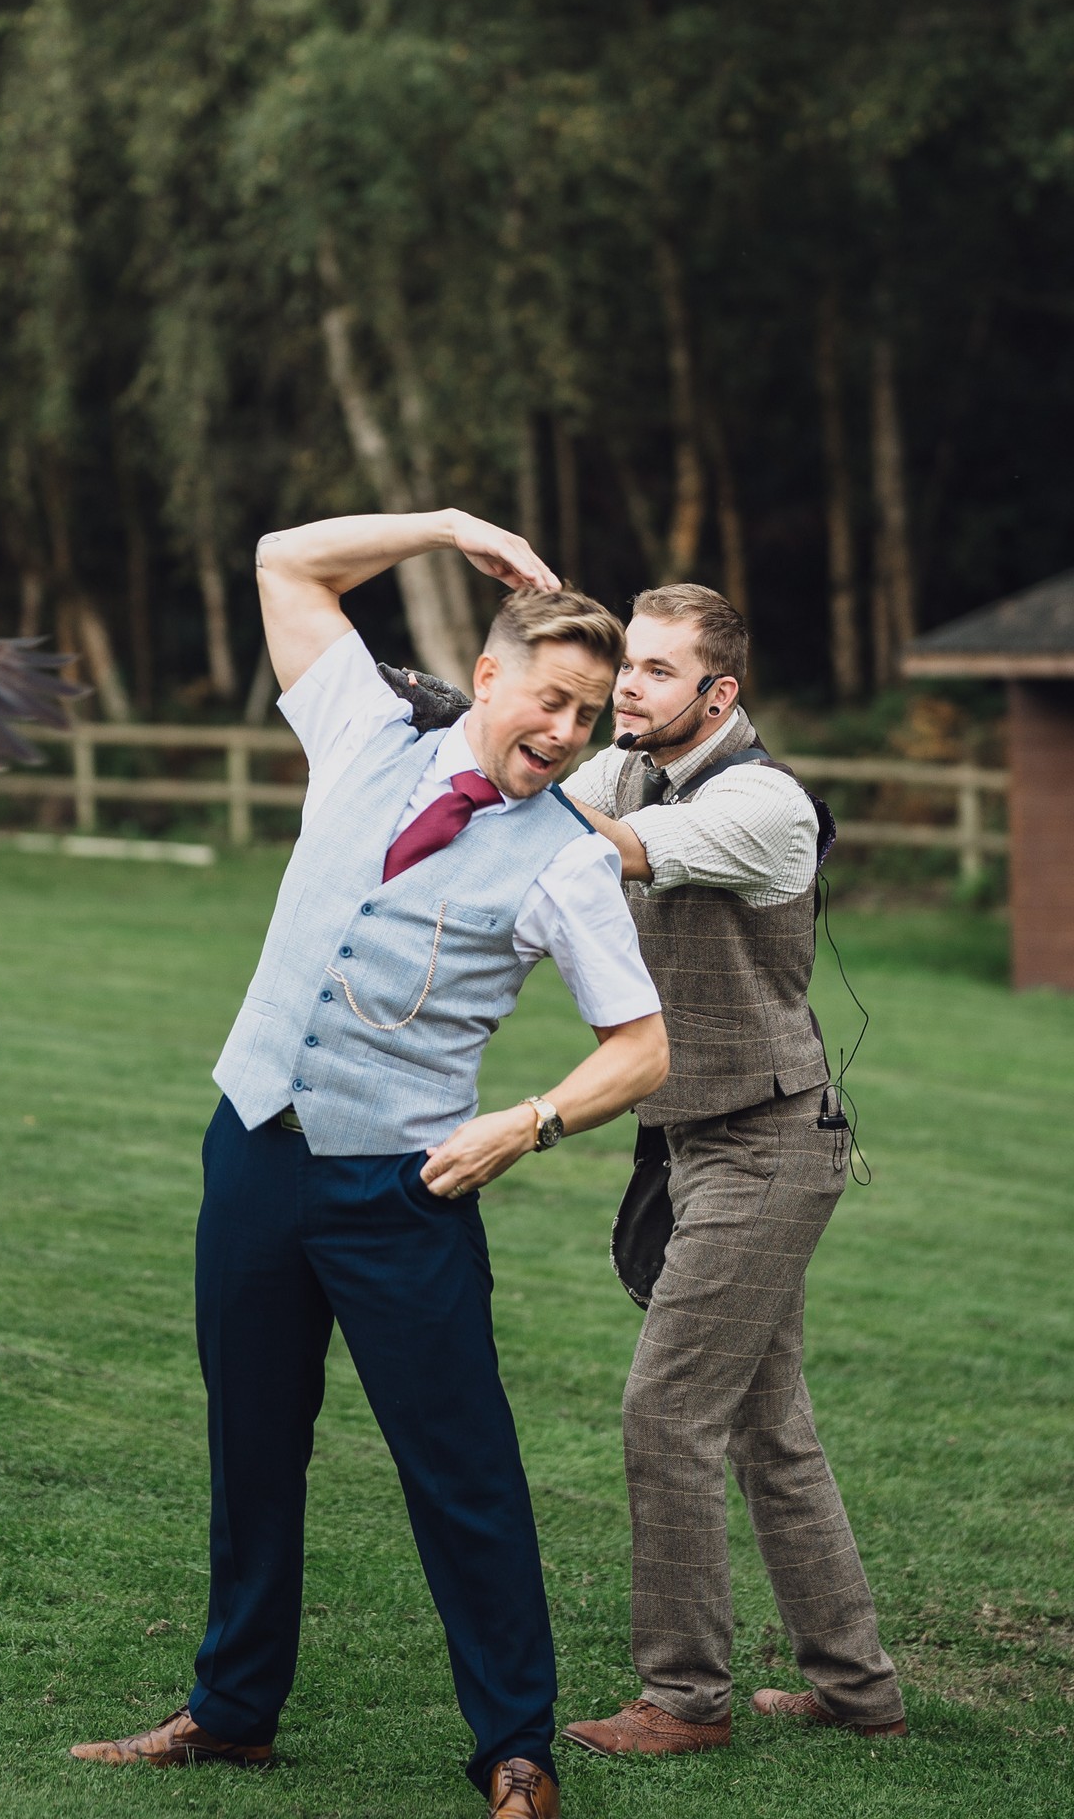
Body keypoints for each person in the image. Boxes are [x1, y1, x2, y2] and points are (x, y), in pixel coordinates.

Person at [69, 509, 669, 1819]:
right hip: (253, 1155)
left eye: (590, 719)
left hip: (404, 1193)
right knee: (252, 1443)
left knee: (463, 1471)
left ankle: (516, 1749)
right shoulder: (361, 733)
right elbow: (284, 556)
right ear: (493, 675)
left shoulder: (567, 857)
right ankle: (231, 1716)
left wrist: (525, 1125)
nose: (566, 733)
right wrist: (448, 528)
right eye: (551, 703)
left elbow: (642, 1047)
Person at [557, 583, 908, 1756]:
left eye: (655, 672)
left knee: (666, 1412)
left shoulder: (760, 803)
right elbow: (556, 805)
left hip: (767, 1145)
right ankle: (859, 1689)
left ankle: (683, 1701)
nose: (625, 688)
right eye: (625, 665)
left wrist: (505, 757)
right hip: (694, 1139)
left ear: (721, 694)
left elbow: (602, 850)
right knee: (773, 1430)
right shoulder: (627, 765)